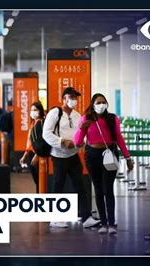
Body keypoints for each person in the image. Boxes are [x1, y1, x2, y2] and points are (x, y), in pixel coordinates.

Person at [74, 93, 134, 234]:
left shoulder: (112, 118)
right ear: (93, 105)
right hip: (92, 156)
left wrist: (128, 158)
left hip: (110, 155)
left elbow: (119, 138)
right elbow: (77, 142)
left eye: (103, 102)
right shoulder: (86, 119)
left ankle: (112, 224)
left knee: (108, 189)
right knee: (98, 190)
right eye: (98, 102)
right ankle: (104, 223)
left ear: (106, 104)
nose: (101, 105)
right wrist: (82, 127)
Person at [42, 87, 100, 229]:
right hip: (58, 156)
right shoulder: (55, 113)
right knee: (58, 186)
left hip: (73, 155)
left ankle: (86, 217)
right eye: (71, 97)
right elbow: (46, 134)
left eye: (75, 97)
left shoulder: (77, 116)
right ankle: (55, 218)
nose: (74, 100)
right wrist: (62, 141)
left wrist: (81, 143)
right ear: (64, 99)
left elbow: (82, 135)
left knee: (80, 185)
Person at [20, 102, 45, 193]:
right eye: (31, 110)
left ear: (40, 111)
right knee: (36, 180)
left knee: (40, 180)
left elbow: (43, 141)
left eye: (35, 110)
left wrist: (37, 155)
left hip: (38, 154)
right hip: (31, 153)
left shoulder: (42, 123)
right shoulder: (33, 124)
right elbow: (29, 142)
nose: (32, 112)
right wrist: (24, 155)